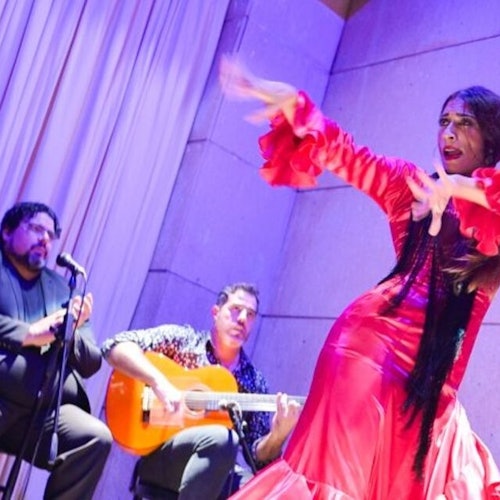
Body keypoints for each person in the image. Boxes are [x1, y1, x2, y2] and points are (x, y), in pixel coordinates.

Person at [220, 58, 500, 498]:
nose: (448, 133)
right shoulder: (411, 189)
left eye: (465, 124)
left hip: (430, 386)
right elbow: (347, 154)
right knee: (335, 483)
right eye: (444, 121)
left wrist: (459, 189)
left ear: (491, 141)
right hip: (367, 354)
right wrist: (297, 107)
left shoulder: (490, 216)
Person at [101, 282, 301, 499]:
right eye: (236, 309)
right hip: (161, 457)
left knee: (270, 489)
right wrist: (159, 383)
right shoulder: (182, 341)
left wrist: (277, 436)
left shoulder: (254, 382)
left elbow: (259, 460)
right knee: (223, 438)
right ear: (216, 313)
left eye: (250, 314)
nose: (243, 319)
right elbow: (115, 346)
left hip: (215, 470)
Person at [0, 201, 112, 499]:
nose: (45, 239)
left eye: (51, 235)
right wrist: (30, 334)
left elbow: (91, 362)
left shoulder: (63, 289)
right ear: (7, 231)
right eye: (37, 229)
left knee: (95, 438)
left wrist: (70, 330)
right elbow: (31, 333)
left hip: (42, 414)